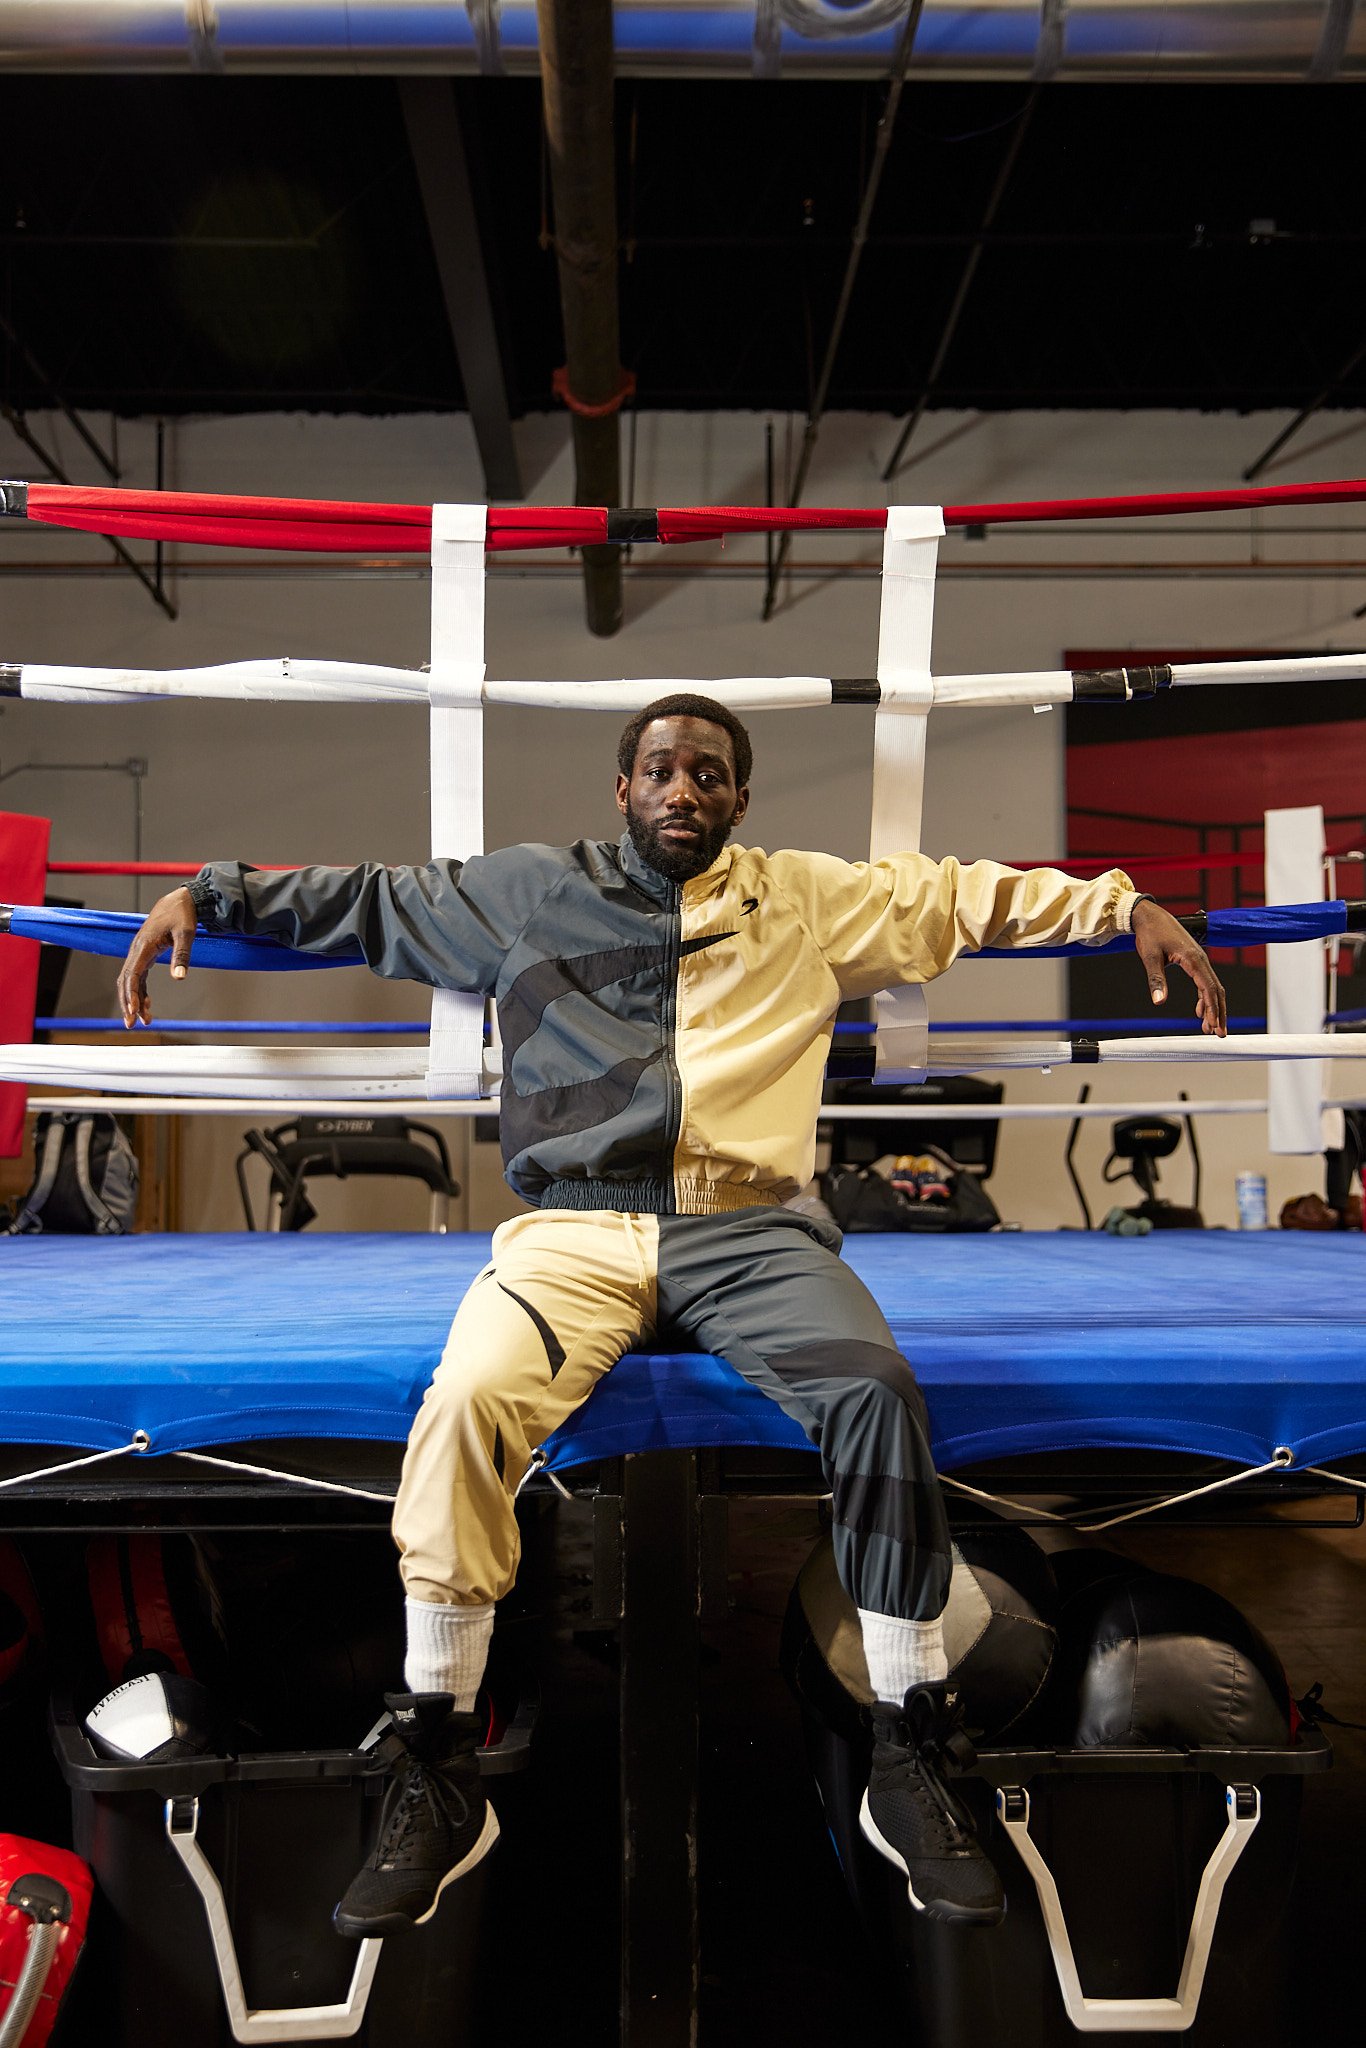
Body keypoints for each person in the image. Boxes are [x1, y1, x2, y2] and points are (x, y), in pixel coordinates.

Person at [117, 693, 1227, 1935]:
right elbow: (369, 897)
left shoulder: (804, 896)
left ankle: (910, 1743)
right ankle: (434, 1754)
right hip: (576, 1233)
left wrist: (1122, 901)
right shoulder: (528, 891)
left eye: (707, 771)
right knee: (470, 1399)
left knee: (870, 1388)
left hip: (749, 1233)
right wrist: (209, 896)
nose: (682, 788)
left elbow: (967, 893)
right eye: (659, 768)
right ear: (622, 787)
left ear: (739, 798)